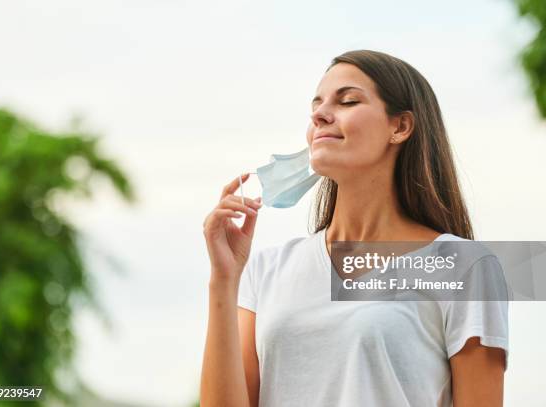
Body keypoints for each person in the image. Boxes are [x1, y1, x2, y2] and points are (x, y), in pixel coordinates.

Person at [200, 49, 508, 407]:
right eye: (316, 106)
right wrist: (223, 279)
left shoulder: (465, 266)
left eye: (347, 101)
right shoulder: (268, 270)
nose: (320, 114)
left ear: (401, 126)